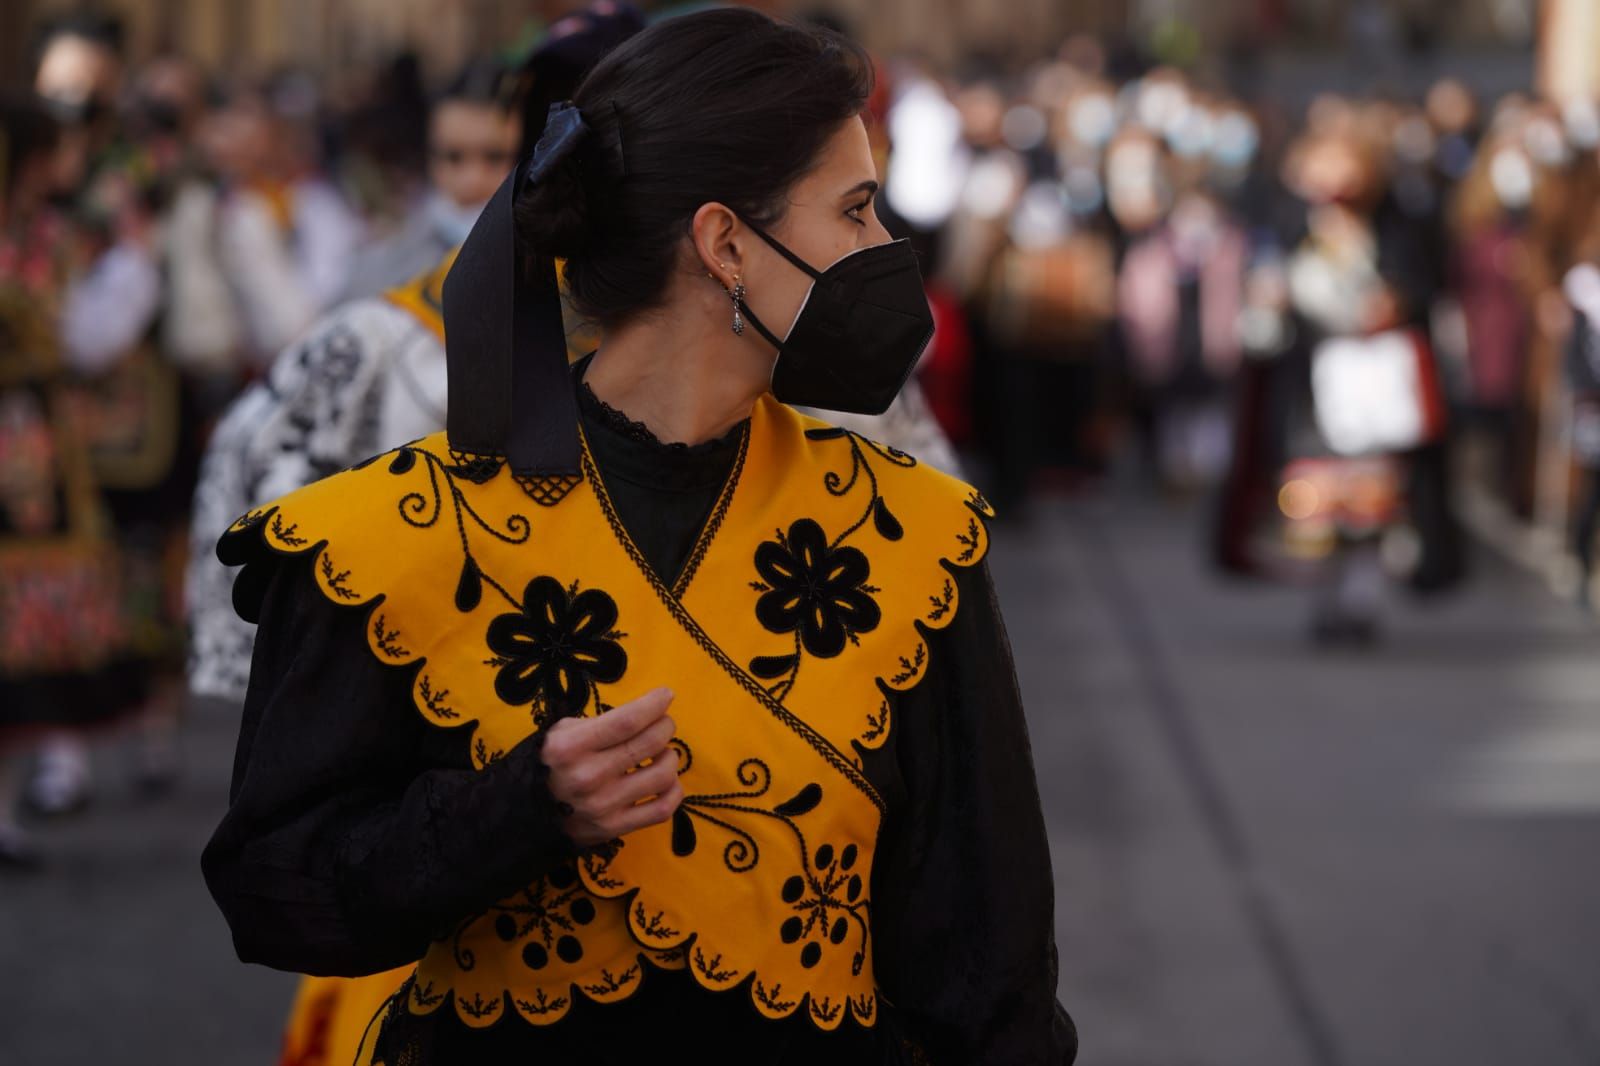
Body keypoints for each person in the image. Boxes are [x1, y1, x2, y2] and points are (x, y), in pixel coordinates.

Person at [203, 11, 1074, 1064]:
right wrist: (510, 812)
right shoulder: (386, 541)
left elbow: (988, 972)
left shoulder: (915, 541)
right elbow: (274, 897)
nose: (886, 249)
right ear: (724, 245)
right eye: (853, 210)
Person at [342, 58, 521, 301]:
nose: (472, 180)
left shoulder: (552, 270)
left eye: (495, 157)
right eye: (453, 157)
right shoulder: (383, 264)